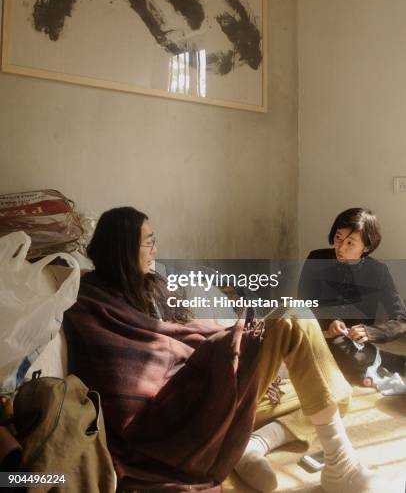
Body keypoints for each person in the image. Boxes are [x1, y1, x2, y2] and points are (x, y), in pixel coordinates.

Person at [64, 207, 387, 493]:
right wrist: (236, 354)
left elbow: (189, 334)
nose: (155, 250)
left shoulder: (152, 287)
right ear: (122, 249)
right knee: (294, 314)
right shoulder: (91, 304)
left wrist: (244, 354)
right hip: (181, 410)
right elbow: (130, 379)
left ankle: (250, 445)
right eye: (148, 242)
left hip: (207, 384)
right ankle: (341, 467)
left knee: (335, 392)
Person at [298, 207, 406, 383]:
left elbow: (401, 319)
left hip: (350, 342)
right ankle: (378, 362)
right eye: (338, 238)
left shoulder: (378, 272)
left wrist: (370, 332)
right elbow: (304, 301)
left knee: (345, 352)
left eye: (350, 243)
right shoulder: (316, 258)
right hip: (317, 331)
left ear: (367, 246)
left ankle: (381, 360)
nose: (340, 247)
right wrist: (329, 321)